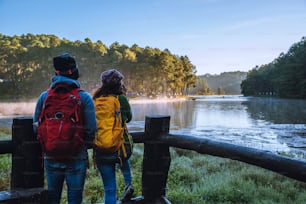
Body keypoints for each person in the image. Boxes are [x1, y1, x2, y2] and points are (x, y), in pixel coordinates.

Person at [33, 53, 97, 204]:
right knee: (75, 198)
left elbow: (36, 125)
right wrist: (79, 142)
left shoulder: (44, 96)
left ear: (56, 72)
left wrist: (51, 141)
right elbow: (91, 129)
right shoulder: (84, 97)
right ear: (73, 71)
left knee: (53, 198)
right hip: (76, 155)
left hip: (51, 155)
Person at [93, 69, 134, 204]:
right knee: (124, 159)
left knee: (109, 190)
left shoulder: (95, 99)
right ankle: (129, 184)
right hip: (118, 148)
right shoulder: (120, 98)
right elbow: (128, 118)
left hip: (100, 148)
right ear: (118, 84)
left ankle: (127, 187)